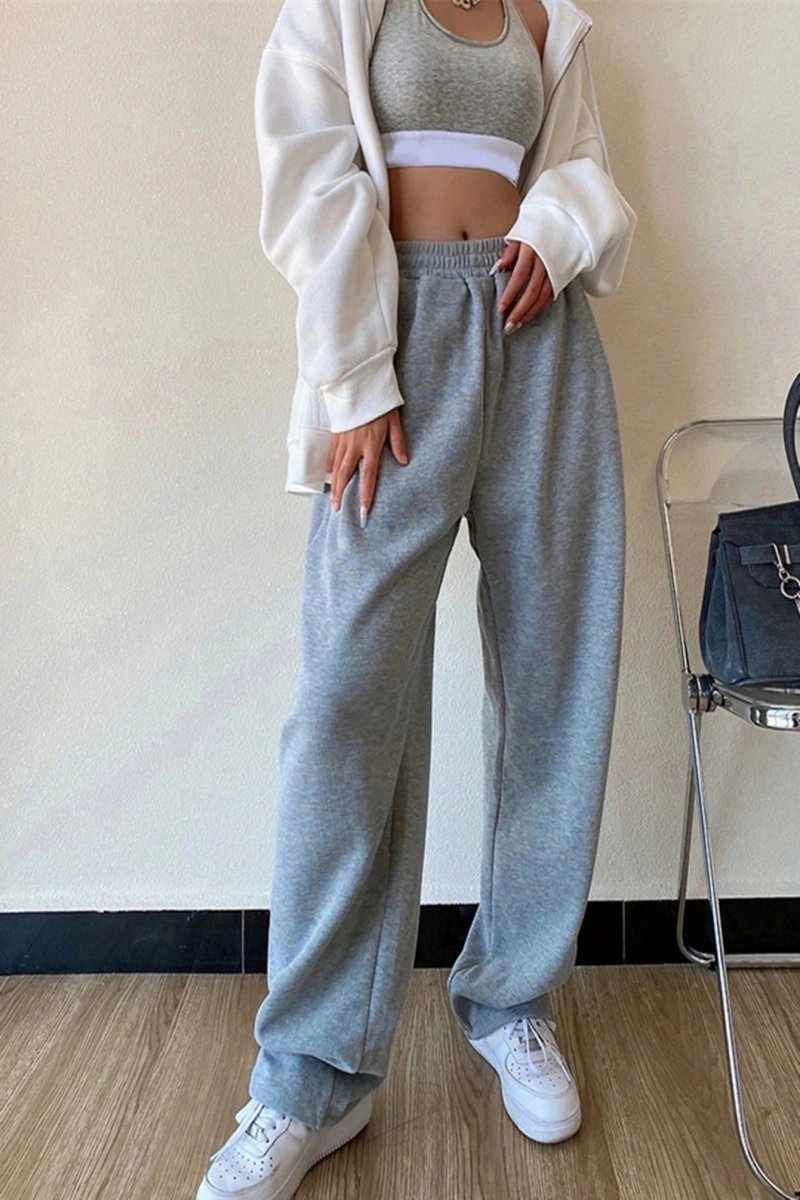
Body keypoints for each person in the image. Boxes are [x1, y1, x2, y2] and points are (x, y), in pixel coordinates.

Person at [196, 0, 637, 1195]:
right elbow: (305, 173)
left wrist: (554, 229)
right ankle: (310, 1076)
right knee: (347, 702)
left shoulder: (541, 14)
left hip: (537, 334)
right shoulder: (347, 6)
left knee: (556, 675)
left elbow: (584, 169)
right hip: (398, 339)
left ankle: (511, 999)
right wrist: (355, 373)